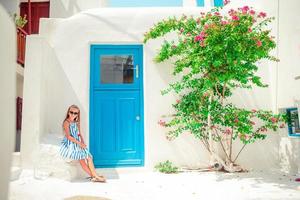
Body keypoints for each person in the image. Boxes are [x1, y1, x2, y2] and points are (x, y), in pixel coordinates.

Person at [59, 104, 106, 182]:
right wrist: (79, 143)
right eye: (71, 112)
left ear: (78, 114)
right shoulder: (66, 122)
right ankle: (95, 176)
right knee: (82, 162)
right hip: (71, 143)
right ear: (68, 112)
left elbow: (79, 133)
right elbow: (68, 136)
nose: (73, 114)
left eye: (75, 113)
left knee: (89, 157)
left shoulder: (76, 122)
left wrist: (83, 143)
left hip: (78, 142)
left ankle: (95, 176)